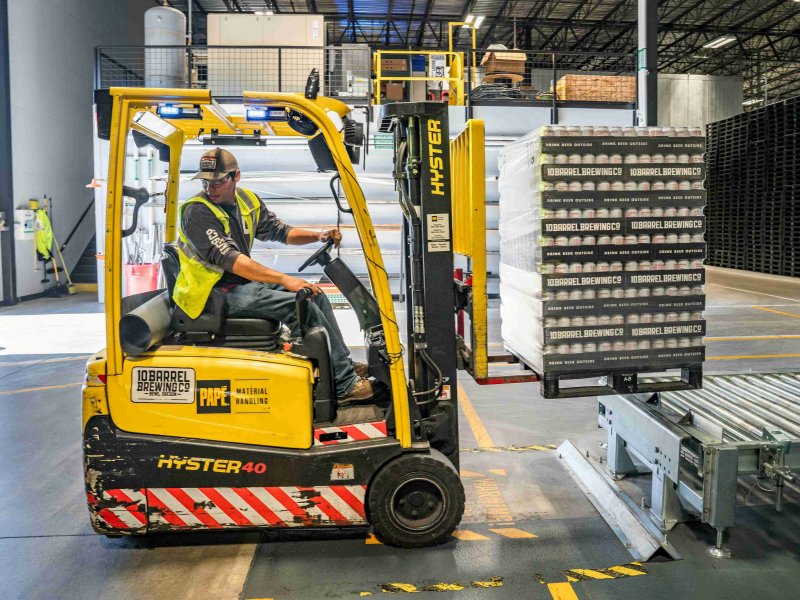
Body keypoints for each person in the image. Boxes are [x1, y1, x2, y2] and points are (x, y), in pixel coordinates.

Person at [173, 148, 375, 403]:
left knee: (315, 295)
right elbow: (232, 261)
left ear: (236, 176)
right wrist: (283, 279)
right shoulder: (197, 212)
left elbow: (281, 231)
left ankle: (340, 365)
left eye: (217, 181)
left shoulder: (247, 201)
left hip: (238, 285)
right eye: (205, 181)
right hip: (212, 295)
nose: (210, 188)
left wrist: (317, 236)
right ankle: (344, 385)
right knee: (300, 305)